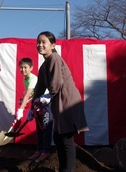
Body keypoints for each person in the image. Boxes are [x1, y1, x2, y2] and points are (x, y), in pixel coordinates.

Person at [32, 31, 89, 172]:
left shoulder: (55, 58)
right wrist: (32, 104)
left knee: (65, 139)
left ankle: (67, 169)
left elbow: (56, 83)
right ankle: (64, 167)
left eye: (43, 42)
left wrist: (45, 98)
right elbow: (39, 88)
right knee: (58, 137)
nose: (40, 45)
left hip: (68, 102)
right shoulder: (44, 66)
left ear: (52, 45)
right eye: (38, 42)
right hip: (58, 103)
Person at [16, 58, 53, 163]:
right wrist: (24, 101)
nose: (23, 70)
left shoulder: (32, 78)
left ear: (31, 68)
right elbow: (30, 95)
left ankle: (46, 151)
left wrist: (21, 109)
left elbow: (29, 93)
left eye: (25, 67)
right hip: (37, 104)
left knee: (46, 128)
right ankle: (39, 150)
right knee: (39, 129)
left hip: (45, 104)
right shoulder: (25, 79)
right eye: (21, 67)